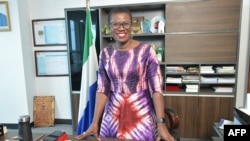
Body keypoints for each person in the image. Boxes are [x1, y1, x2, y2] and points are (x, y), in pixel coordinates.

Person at [75, 7, 176, 141]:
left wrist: (161, 123)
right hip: (112, 117)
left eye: (125, 23)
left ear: (131, 25)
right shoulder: (105, 54)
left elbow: (156, 90)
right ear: (110, 27)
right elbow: (102, 89)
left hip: (140, 116)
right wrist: (94, 122)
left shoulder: (147, 51)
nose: (121, 28)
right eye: (115, 24)